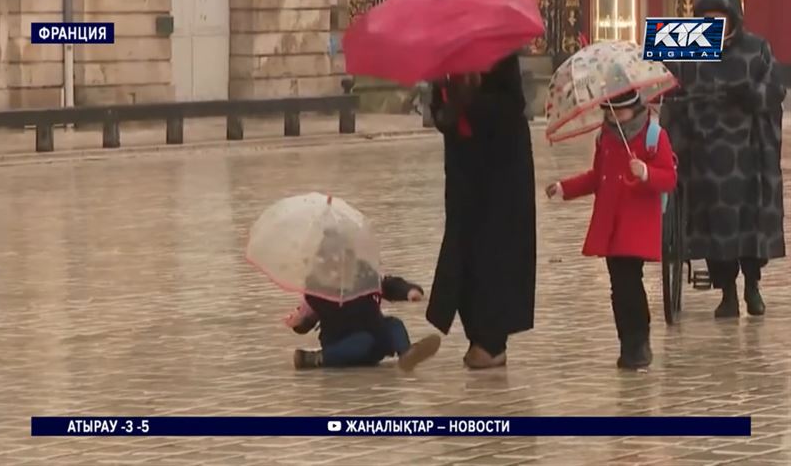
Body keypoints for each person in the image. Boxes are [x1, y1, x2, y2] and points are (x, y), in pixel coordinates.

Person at [660, 0, 786, 318]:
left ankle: (752, 285)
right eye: (708, 18)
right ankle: (727, 291)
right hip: (703, 151)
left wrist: (750, 96)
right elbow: (669, 89)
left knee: (750, 215)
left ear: (733, 18)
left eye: (721, 18)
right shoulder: (688, 44)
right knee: (714, 221)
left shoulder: (755, 48)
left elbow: (775, 89)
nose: (715, 24)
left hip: (747, 150)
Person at [546, 90, 677, 369]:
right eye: (609, 112)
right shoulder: (604, 137)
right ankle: (627, 342)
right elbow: (597, 176)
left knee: (629, 282)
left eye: (619, 112)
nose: (613, 117)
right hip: (610, 224)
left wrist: (646, 173)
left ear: (634, 109)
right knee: (618, 287)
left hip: (637, 223)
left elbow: (668, 178)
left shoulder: (654, 136)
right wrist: (564, 188)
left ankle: (639, 341)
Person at [427, 53, 537, 369]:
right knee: (463, 248)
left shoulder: (499, 53)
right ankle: (476, 334)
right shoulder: (445, 56)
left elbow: (511, 105)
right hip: (463, 167)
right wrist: (449, 109)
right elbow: (441, 110)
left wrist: (470, 98)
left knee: (495, 253)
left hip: (501, 168)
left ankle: (492, 341)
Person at [287, 229, 439, 371]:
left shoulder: (365, 275)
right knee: (360, 343)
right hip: (342, 341)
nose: (340, 267)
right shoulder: (318, 289)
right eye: (333, 262)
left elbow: (388, 285)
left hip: (376, 332)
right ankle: (316, 358)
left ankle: (406, 354)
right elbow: (307, 317)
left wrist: (408, 291)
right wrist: (299, 322)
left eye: (345, 259)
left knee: (394, 325)